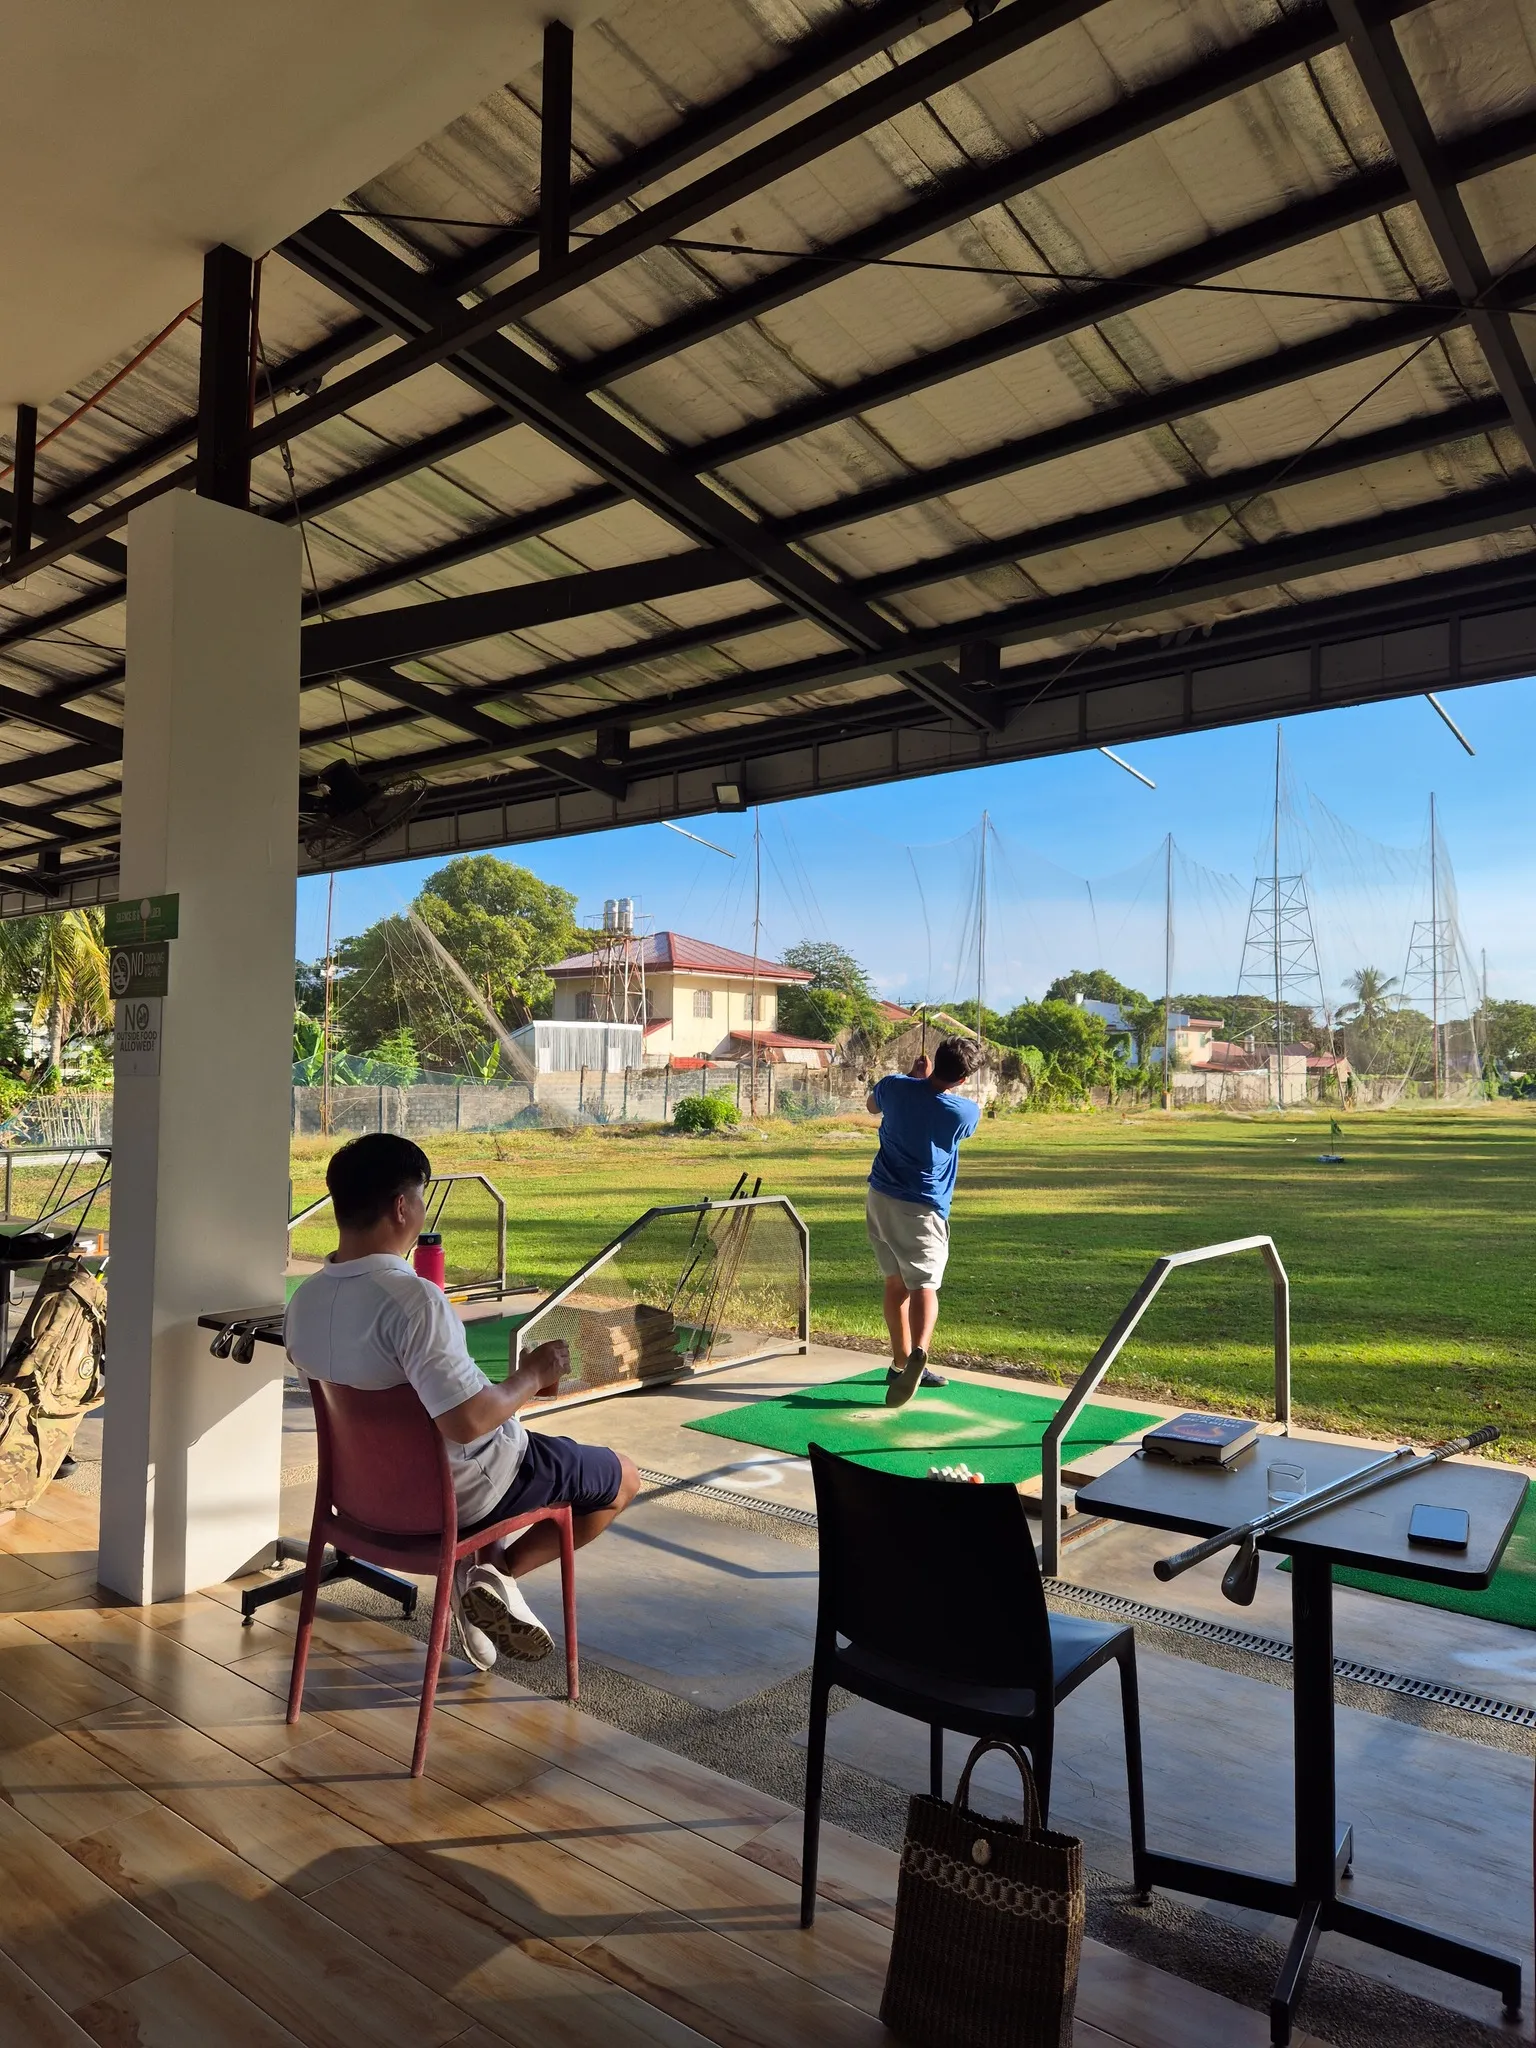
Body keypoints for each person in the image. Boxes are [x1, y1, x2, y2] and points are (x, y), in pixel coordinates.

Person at [284, 1132, 640, 1670]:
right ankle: (496, 1576)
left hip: (360, 1503)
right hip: (456, 1496)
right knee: (622, 1478)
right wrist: (533, 1373)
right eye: (421, 1199)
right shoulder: (411, 1301)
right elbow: (468, 1422)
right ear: (402, 1206)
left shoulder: (304, 1301)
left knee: (492, 1470)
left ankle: (483, 1575)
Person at [865, 1036, 984, 1407]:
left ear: (932, 1060)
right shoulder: (965, 1112)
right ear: (963, 1079)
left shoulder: (894, 1086)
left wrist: (912, 1079)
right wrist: (925, 1085)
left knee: (895, 1282)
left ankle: (899, 1363)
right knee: (924, 1286)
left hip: (879, 1199)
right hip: (920, 1209)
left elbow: (872, 1105)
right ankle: (919, 1354)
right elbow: (939, 1109)